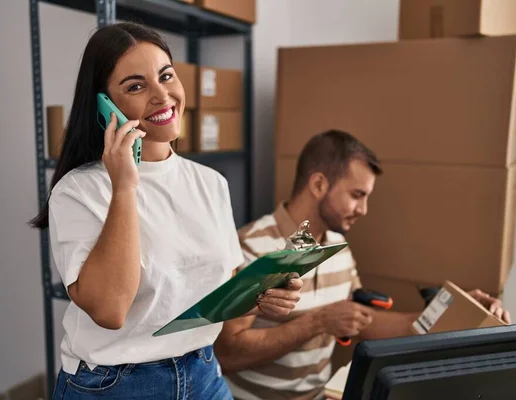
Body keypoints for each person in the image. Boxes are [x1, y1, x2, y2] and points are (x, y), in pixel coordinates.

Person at [29, 22, 303, 400]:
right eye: (136, 86)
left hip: (203, 371)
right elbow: (110, 310)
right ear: (103, 105)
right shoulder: (79, 191)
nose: (163, 96)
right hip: (115, 386)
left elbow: (220, 283)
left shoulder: (210, 182)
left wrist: (264, 296)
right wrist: (124, 186)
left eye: (166, 76)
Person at [214, 130, 511, 400]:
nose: (364, 210)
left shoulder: (336, 248)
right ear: (318, 184)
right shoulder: (253, 247)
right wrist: (317, 323)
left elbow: (361, 321)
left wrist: (458, 309)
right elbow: (227, 354)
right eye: (357, 195)